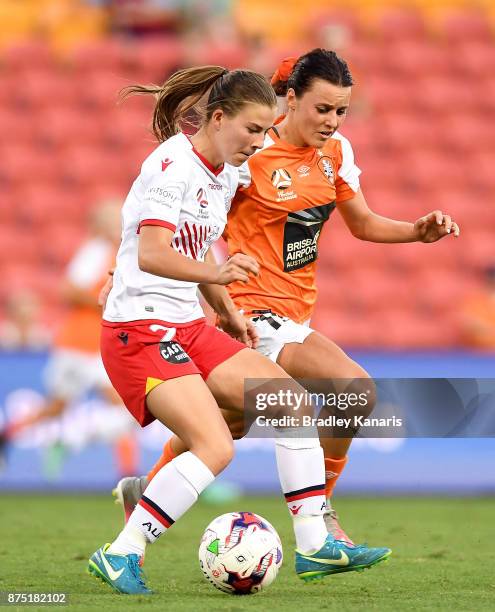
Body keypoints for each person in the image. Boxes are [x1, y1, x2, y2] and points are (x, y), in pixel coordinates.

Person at [113, 49, 460, 545]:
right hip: (252, 307)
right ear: (290, 100)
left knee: (227, 423)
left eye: (341, 111)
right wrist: (122, 265)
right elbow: (180, 214)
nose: (332, 121)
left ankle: (146, 492)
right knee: (352, 391)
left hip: (294, 311)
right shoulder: (248, 155)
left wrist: (415, 231)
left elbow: (361, 223)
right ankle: (320, 521)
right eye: (322, 109)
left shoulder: (336, 152)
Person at [87, 64, 390, 595]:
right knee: (216, 446)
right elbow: (155, 251)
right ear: (219, 117)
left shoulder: (224, 172)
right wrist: (216, 274)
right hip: (139, 331)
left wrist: (224, 308)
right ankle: (122, 553)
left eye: (264, 129)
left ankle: (316, 544)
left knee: (290, 404)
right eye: (253, 130)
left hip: (187, 325)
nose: (259, 141)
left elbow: (198, 242)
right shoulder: (170, 167)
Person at [0, 202, 138, 478]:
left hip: (84, 345)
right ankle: (125, 472)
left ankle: (8, 436)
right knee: (125, 408)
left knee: (57, 407)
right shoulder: (95, 251)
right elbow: (69, 290)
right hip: (84, 345)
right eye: (113, 221)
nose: (119, 226)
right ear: (99, 225)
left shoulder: (113, 253)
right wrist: (107, 305)